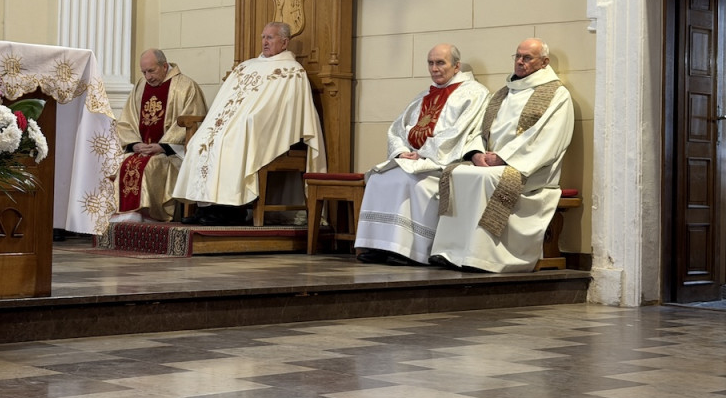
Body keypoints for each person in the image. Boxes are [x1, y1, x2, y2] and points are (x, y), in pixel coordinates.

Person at [430, 38, 574, 273]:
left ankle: (483, 256)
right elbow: (479, 129)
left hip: (530, 169)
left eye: (527, 58)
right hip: (492, 162)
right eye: (517, 56)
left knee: (487, 179)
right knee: (455, 173)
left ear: (544, 62)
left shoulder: (557, 95)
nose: (520, 62)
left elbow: (547, 139)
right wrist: (476, 154)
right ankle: (451, 251)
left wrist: (503, 158)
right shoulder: (502, 94)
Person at [172, 21, 326, 225]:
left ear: (285, 42)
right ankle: (206, 208)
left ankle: (230, 210)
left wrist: (251, 119)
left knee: (230, 143)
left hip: (261, 129)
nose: (264, 41)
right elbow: (222, 101)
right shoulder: (246, 66)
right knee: (200, 142)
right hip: (233, 126)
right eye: (263, 37)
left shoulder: (292, 71)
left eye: (270, 38)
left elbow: (285, 108)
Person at [355, 44, 490, 265]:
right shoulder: (424, 95)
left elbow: (460, 132)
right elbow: (398, 128)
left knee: (410, 180)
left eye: (440, 63)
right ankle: (378, 246)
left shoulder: (474, 93)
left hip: (443, 162)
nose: (434, 69)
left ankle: (409, 250)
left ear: (456, 66)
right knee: (379, 179)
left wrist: (424, 154)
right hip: (415, 158)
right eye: (431, 63)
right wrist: (401, 152)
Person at [112, 49, 208, 222]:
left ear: (164, 66)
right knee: (123, 163)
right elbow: (127, 120)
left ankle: (150, 214)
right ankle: (129, 213)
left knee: (152, 164)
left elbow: (195, 121)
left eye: (151, 71)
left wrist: (163, 146)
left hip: (172, 153)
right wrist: (135, 144)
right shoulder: (141, 87)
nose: (148, 77)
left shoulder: (185, 86)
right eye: (144, 72)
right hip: (143, 148)